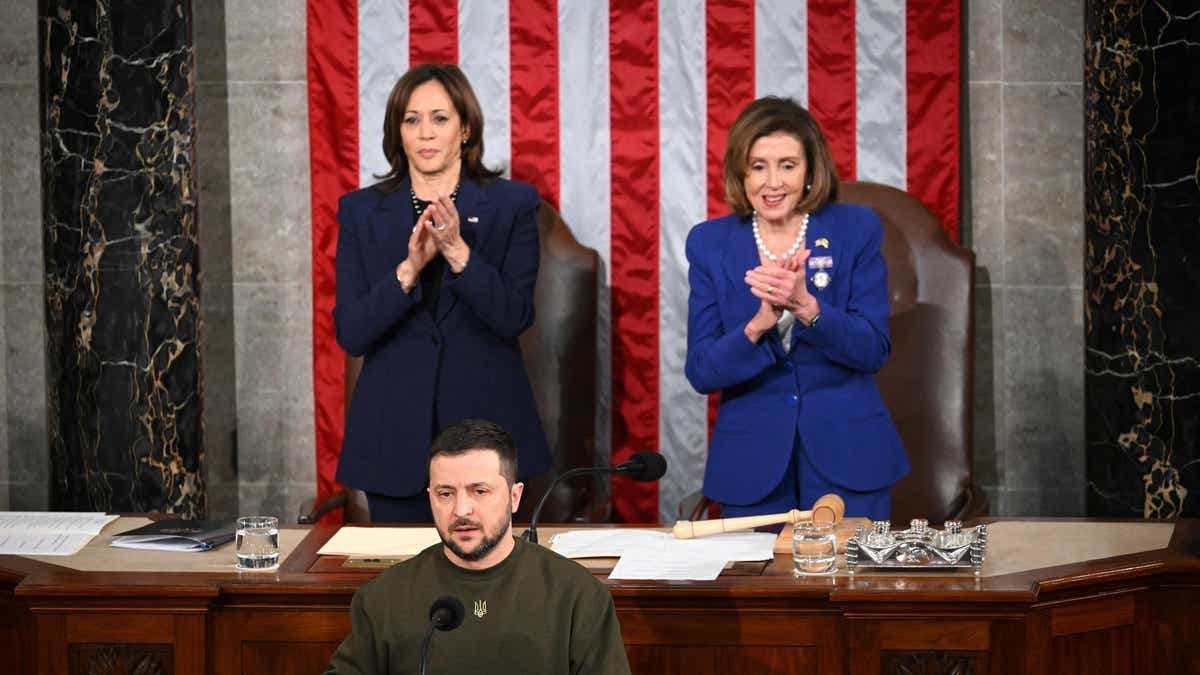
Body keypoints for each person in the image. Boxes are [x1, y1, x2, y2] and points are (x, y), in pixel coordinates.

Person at [333, 64, 550, 522]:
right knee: (405, 588)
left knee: (492, 587)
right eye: (411, 120)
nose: (425, 133)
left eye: (440, 118)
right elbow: (352, 332)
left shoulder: (513, 205)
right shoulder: (360, 212)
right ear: (398, 132)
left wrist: (458, 255)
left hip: (487, 437)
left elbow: (513, 316)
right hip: (392, 439)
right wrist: (408, 271)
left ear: (466, 128)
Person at [684, 97, 909, 521]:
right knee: (761, 589)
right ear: (740, 172)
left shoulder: (855, 229)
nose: (773, 182)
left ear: (810, 171)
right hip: (751, 467)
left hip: (850, 458)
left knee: (850, 586)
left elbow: (872, 350)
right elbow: (702, 372)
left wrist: (808, 307)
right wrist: (757, 326)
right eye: (758, 166)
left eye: (788, 165)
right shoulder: (709, 243)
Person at [324, 419, 632, 675]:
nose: (461, 510)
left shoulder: (576, 595)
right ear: (430, 496)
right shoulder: (384, 597)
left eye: (479, 491)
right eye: (446, 494)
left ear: (514, 497)